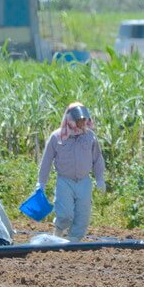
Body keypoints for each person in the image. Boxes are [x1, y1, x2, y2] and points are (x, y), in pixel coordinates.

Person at [37, 101, 106, 242]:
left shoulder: (90, 137)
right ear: (70, 120)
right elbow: (46, 161)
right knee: (65, 215)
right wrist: (41, 183)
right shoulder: (56, 137)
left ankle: (73, 243)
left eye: (84, 119)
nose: (82, 122)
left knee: (82, 217)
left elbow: (97, 159)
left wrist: (100, 179)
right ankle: (58, 233)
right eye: (79, 120)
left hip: (84, 182)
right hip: (65, 181)